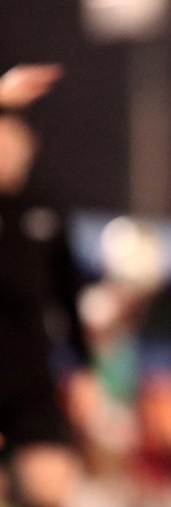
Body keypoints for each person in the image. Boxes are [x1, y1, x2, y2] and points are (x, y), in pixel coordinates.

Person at [0, 63, 89, 506]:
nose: (8, 154)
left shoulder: (45, 209)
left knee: (50, 487)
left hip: (31, 375)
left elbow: (69, 295)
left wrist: (84, 368)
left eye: (15, 144)